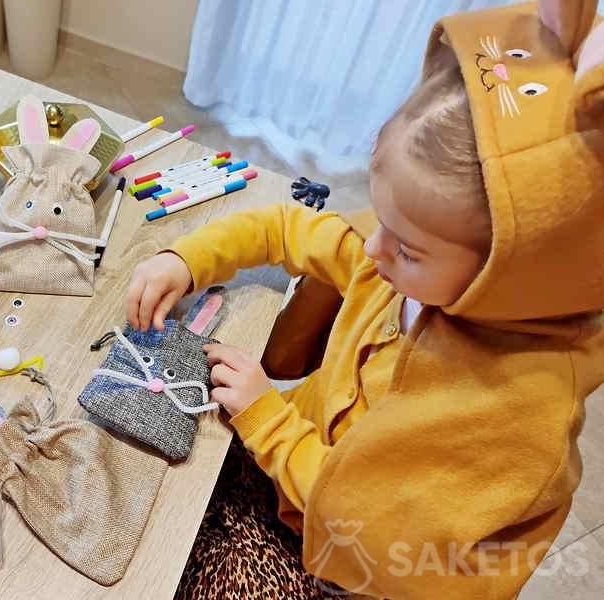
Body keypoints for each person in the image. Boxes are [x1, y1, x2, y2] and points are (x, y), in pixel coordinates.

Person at [138, 1, 604, 597]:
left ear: (514, 273)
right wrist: (187, 258)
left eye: (408, 249)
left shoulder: (511, 417)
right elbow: (288, 229)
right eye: (381, 217)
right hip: (304, 476)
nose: (374, 251)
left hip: (351, 569)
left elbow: (364, 530)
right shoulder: (404, 259)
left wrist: (266, 420)